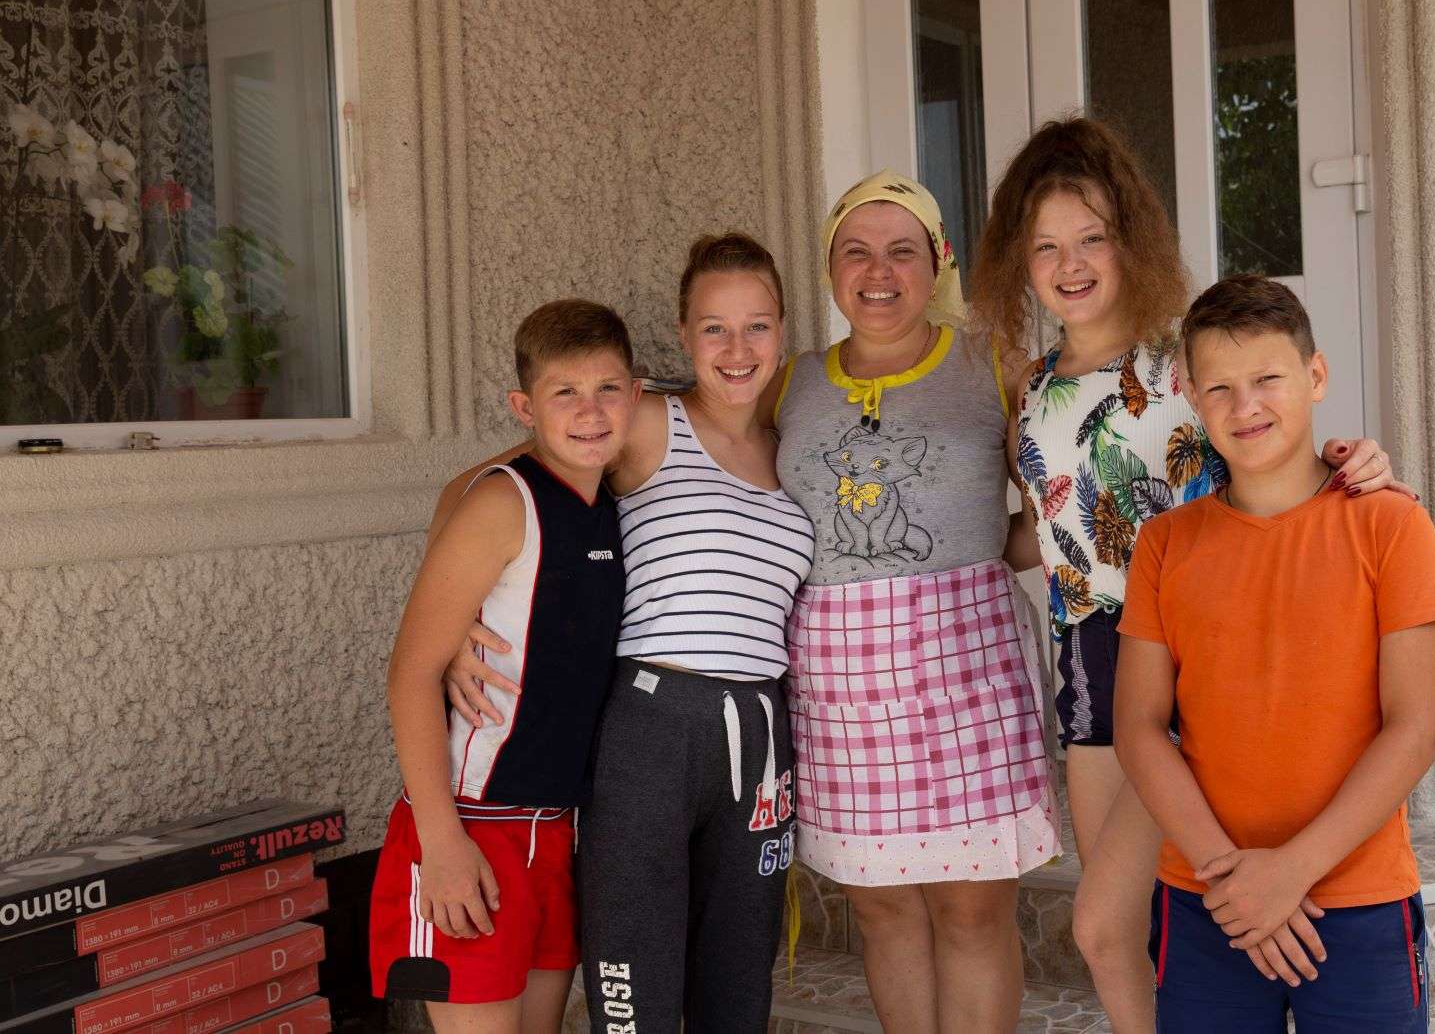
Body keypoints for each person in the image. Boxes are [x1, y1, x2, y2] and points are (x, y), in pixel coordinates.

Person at [966, 116, 1404, 1029]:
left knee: (1106, 917)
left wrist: (1357, 463)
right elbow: (1045, 530)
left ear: (1132, 239)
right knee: (1116, 928)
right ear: (1019, 258)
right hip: (1090, 659)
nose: (1070, 262)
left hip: (1197, 652)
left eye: (1091, 237)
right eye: (1045, 245)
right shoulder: (1032, 386)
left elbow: (1270, 460)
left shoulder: (1181, 362)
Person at [436, 235, 815, 1032]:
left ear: (784, 329)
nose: (736, 349)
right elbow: (475, 492)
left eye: (756, 326)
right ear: (683, 335)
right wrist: (463, 624)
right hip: (649, 724)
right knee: (635, 992)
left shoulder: (796, 448)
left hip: (758, 730)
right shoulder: (644, 420)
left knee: (737, 987)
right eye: (714, 327)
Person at [1116, 275, 1435, 1032]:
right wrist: (1232, 881)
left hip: (1355, 897)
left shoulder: (1391, 527)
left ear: (1314, 377)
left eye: (1266, 379)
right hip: (1206, 896)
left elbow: (1413, 728)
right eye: (1218, 388)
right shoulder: (1163, 545)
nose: (1244, 407)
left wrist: (1290, 872)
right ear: (1190, 397)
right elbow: (1139, 728)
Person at [765, 171, 1055, 1033]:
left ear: (938, 263)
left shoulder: (992, 365)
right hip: (836, 690)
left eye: (902, 250)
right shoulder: (788, 384)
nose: (878, 270)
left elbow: (1057, 507)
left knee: (971, 913)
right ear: (829, 268)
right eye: (855, 250)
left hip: (965, 671)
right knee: (884, 912)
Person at [367, 300, 639, 1034]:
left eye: (608, 389)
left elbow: (449, 487)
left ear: (635, 394)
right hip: (471, 827)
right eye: (564, 394)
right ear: (525, 407)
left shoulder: (603, 499)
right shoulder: (503, 501)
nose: (590, 411)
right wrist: (441, 842)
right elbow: (409, 674)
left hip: (553, 830)